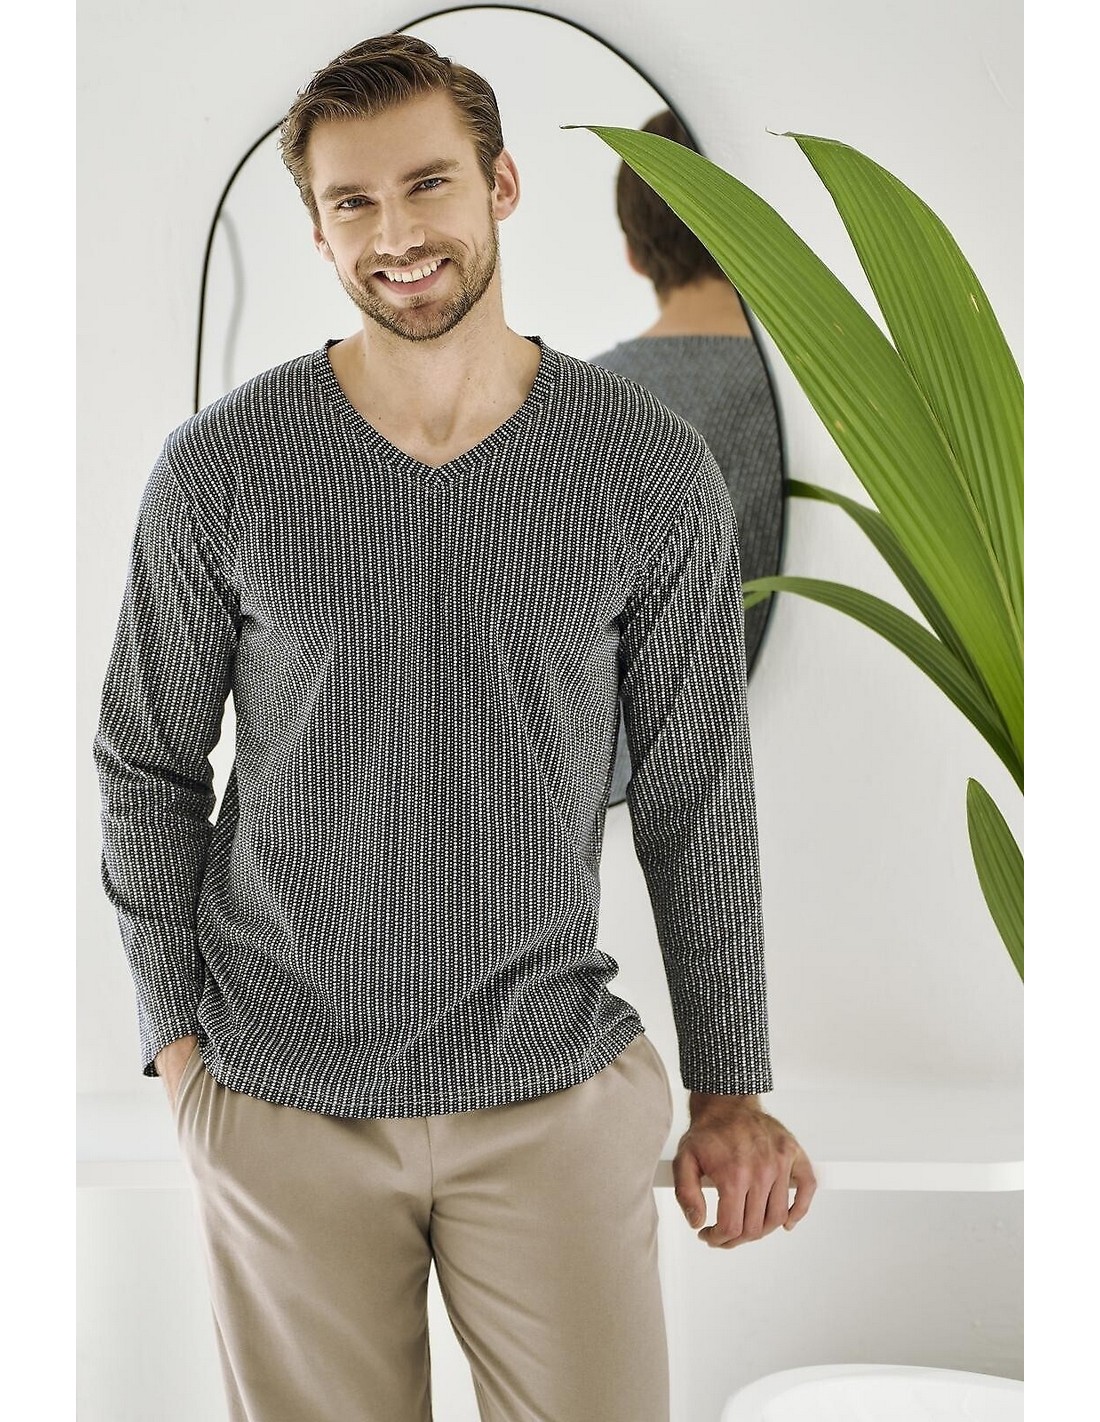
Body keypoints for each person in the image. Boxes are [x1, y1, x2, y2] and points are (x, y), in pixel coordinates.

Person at [93, 33, 815, 1422]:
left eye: (428, 184)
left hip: (552, 1091)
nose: (397, 234)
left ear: (501, 185)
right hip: (282, 1102)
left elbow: (695, 793)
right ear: (317, 230)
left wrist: (730, 1084)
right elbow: (146, 761)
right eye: (353, 202)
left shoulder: (645, 466)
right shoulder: (222, 468)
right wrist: (180, 1056)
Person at [592, 109, 786, 806]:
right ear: (753, 230)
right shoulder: (820, 407)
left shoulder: (571, 406)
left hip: (602, 802)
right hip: (796, 773)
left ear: (634, 253)